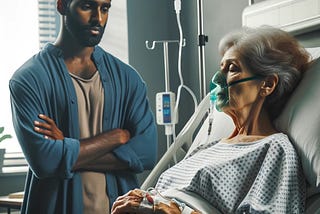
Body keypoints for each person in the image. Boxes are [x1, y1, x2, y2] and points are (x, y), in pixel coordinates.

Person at [110, 26, 312, 214]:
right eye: (221, 68)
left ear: (267, 84)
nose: (217, 79)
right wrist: (142, 199)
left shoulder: (274, 149)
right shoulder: (208, 147)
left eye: (232, 68)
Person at [9, 0, 158, 213]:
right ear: (61, 6)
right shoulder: (29, 79)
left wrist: (67, 149)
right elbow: (44, 161)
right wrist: (112, 139)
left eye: (104, 8)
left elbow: (146, 153)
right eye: (87, 6)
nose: (98, 18)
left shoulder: (128, 78)